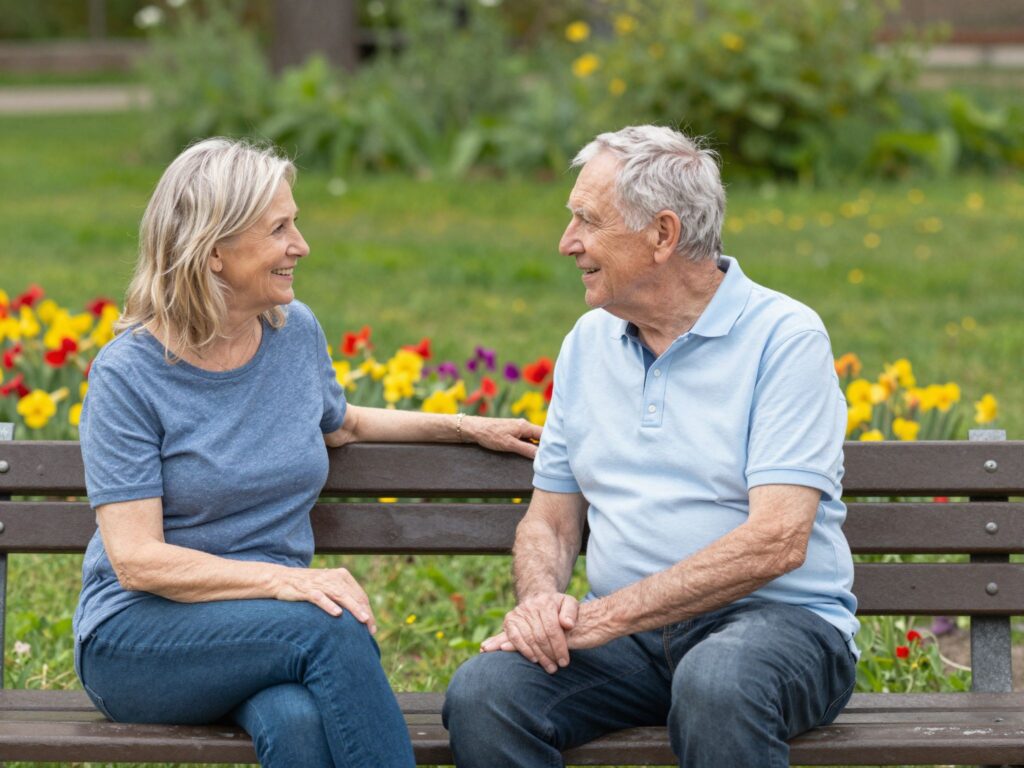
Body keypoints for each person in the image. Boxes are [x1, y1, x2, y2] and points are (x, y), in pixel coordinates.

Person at [73, 137, 542, 768]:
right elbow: (137, 561)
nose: (301, 245)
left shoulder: (292, 333)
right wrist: (287, 580)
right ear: (213, 252)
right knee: (330, 626)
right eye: (279, 229)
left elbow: (341, 424)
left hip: (264, 629)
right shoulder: (128, 374)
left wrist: (463, 427)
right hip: (139, 638)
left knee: (298, 725)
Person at [443, 125, 859, 767]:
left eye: (588, 220)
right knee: (485, 694)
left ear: (663, 235)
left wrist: (607, 617)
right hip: (632, 642)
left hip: (776, 626)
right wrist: (542, 603)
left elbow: (776, 540)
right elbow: (551, 522)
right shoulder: (588, 343)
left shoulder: (784, 338)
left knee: (717, 681)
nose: (567, 242)